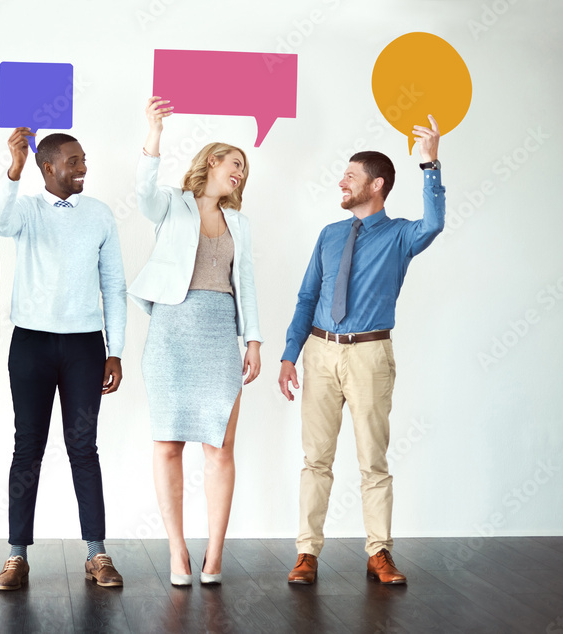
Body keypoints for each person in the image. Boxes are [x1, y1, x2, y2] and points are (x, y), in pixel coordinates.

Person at [278, 116, 445, 585]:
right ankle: (307, 554)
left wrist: (430, 163)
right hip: (320, 353)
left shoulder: (401, 236)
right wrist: (290, 354)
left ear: (376, 185)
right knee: (316, 459)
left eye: (350, 176)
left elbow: (436, 222)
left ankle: (379, 552)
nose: (341, 182)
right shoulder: (330, 235)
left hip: (370, 356)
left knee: (373, 459)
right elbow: (307, 296)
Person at [128, 97, 262, 586]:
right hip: (171, 333)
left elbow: (245, 283)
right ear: (212, 162)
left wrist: (253, 341)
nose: (240, 174)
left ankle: (215, 555)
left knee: (220, 447)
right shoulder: (172, 205)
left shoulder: (240, 224)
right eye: (235, 164)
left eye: (244, 169)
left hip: (217, 331)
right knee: (168, 444)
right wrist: (154, 133)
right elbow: (142, 192)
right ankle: (178, 552)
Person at [0, 127, 127, 590]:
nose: (83, 166)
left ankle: (97, 552)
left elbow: (114, 286)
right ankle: (16, 555)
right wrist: (12, 171)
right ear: (47, 167)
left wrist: (116, 350)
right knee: (27, 447)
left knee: (83, 448)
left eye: (84, 159)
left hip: (85, 346)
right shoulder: (25, 209)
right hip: (31, 344)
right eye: (73, 160)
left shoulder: (100, 214)